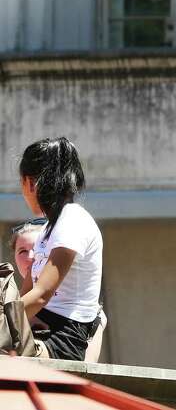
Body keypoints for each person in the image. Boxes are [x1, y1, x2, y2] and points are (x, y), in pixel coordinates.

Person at [14, 137, 104, 361]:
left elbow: (42, 295)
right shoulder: (47, 229)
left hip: (63, 338)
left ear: (31, 183)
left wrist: (5, 323)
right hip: (38, 325)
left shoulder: (73, 220)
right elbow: (25, 294)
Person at [9, 218, 107, 363]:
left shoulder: (85, 310)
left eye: (37, 250)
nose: (31, 257)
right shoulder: (10, 297)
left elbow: (85, 367)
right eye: (22, 251)